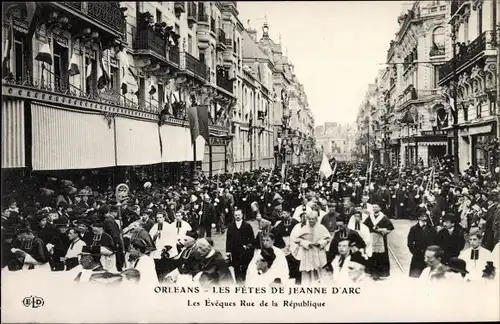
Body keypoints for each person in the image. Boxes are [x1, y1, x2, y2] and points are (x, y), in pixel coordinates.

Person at [294, 210, 331, 285]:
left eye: (313, 219)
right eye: (309, 219)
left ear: (316, 219)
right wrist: (307, 244)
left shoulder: (321, 227)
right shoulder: (304, 228)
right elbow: (297, 239)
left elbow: (328, 239)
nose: (311, 220)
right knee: (308, 271)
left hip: (318, 251)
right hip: (308, 252)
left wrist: (320, 243)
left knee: (319, 271)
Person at [363, 204, 394, 280]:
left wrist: (383, 230)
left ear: (380, 208)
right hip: (372, 238)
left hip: (381, 238)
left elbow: (390, 228)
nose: (374, 208)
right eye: (373, 207)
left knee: (380, 256)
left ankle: (380, 273)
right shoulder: (370, 217)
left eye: (376, 207)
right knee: (371, 254)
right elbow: (364, 226)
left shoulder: (384, 217)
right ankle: (372, 272)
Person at [225, 209, 255, 284]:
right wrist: (228, 251)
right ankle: (238, 284)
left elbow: (252, 239)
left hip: (245, 251)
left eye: (239, 215)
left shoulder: (247, 226)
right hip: (235, 251)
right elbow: (228, 239)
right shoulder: (231, 226)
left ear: (242, 215)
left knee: (245, 267)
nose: (237, 216)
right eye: (236, 215)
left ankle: (245, 282)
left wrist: (248, 246)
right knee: (236, 268)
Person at [407, 209, 437, 278]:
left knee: (428, 276)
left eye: (425, 217)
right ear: (418, 217)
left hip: (429, 256)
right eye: (422, 216)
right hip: (417, 256)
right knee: (415, 276)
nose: (424, 218)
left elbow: (435, 241)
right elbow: (410, 242)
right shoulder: (414, 229)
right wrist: (414, 252)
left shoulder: (431, 229)